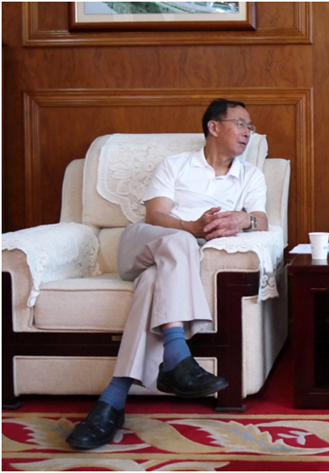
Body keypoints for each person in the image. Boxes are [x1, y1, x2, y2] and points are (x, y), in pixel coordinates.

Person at [66, 98, 269, 450]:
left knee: (152, 284)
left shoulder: (250, 175)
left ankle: (111, 402)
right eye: (240, 123)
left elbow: (262, 219)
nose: (247, 132)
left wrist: (244, 218)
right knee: (180, 241)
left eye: (250, 127)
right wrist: (192, 227)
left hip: (172, 268)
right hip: (142, 244)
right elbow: (156, 215)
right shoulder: (175, 165)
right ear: (213, 126)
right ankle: (176, 356)